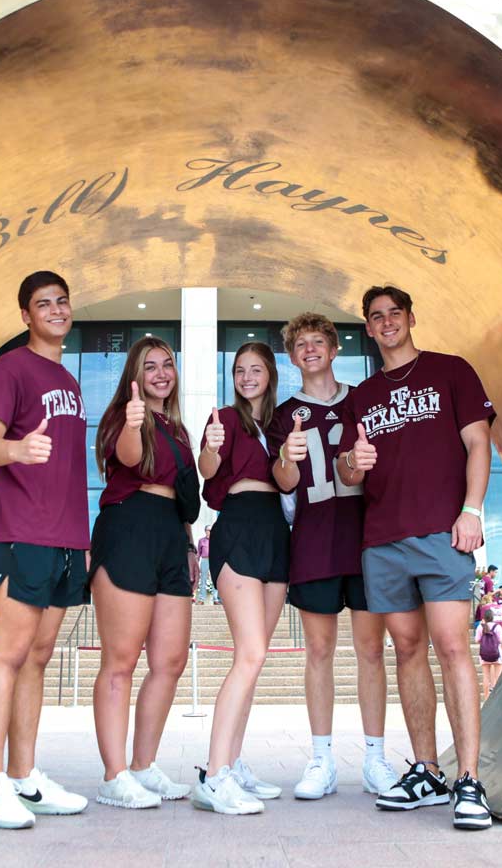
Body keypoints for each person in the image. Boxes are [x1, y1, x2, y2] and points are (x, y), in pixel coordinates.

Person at [335, 285, 495, 831]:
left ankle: (468, 779)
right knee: (406, 650)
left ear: (409, 318)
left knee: (452, 647)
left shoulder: (452, 371)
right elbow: (348, 474)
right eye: (375, 317)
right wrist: (353, 463)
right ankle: (426, 770)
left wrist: (471, 510)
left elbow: (478, 444)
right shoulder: (363, 395)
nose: (386, 323)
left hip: (441, 535)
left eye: (393, 314)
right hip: (382, 540)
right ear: (368, 326)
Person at [0, 270, 90, 829]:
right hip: (18, 532)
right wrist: (17, 448)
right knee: (8, 654)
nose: (56, 310)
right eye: (44, 304)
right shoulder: (11, 367)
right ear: (26, 315)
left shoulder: (69, 377)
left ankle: (23, 777)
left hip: (64, 536)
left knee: (38, 656)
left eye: (62, 302)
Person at [268, 312, 395, 800]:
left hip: (365, 542)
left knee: (370, 651)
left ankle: (375, 759)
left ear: (335, 348)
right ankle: (321, 759)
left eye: (319, 341)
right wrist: (286, 458)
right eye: (301, 344)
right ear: (293, 355)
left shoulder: (362, 400)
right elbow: (284, 486)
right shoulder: (284, 415)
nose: (311, 349)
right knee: (318, 652)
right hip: (315, 542)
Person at [88, 337, 198, 809]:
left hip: (172, 536)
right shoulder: (123, 416)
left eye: (166, 365)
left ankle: (142, 766)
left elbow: (185, 491)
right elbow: (131, 458)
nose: (160, 373)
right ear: (134, 375)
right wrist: (135, 422)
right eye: (149, 366)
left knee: (170, 661)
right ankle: (114, 776)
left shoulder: (179, 429)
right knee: (121, 662)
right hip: (128, 528)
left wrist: (190, 545)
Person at [193, 340, 289, 816]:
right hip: (239, 524)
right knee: (248, 653)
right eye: (239, 370)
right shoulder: (225, 420)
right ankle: (213, 776)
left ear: (270, 374)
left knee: (258, 658)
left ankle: (232, 762)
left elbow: (290, 480)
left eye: (255, 369)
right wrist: (208, 450)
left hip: (277, 530)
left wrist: (290, 455)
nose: (247, 377)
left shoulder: (279, 424)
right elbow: (207, 471)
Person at [195, 527, 215, 605]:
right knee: (203, 580)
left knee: (214, 580)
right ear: (205, 531)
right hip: (204, 560)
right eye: (208, 530)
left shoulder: (215, 540)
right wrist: (197, 562)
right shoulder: (201, 540)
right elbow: (199, 553)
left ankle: (215, 599)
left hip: (214, 560)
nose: (209, 532)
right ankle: (201, 599)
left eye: (211, 530)